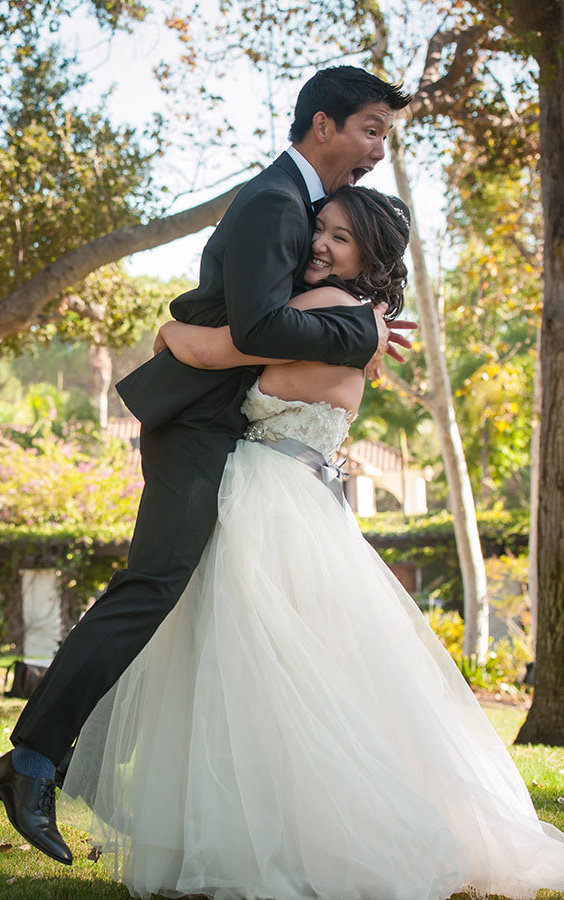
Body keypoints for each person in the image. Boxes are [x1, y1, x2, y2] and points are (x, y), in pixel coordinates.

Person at [60, 187, 564, 900]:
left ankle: (263, 838)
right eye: (318, 231)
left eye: (341, 239)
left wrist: (171, 332)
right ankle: (284, 832)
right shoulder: (364, 322)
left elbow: (197, 346)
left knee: (247, 670)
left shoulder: (318, 313)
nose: (321, 246)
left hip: (266, 498)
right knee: (291, 677)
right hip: (304, 501)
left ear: (370, 257)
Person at [0, 66, 416, 865]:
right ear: (324, 125)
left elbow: (221, 312)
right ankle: (36, 759)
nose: (376, 152)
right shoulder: (276, 201)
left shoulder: (295, 206)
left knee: (205, 615)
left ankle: (81, 767)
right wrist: (360, 332)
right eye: (372, 131)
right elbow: (254, 323)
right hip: (199, 428)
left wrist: (188, 326)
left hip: (233, 433)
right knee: (152, 587)